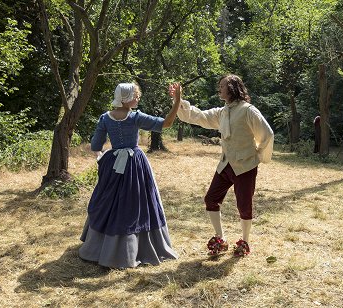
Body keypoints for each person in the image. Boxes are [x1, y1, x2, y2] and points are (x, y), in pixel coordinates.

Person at [169, 74, 274, 257]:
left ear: (233, 88)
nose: (220, 88)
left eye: (223, 86)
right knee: (211, 198)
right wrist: (179, 101)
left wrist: (257, 154)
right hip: (226, 165)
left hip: (245, 166)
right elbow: (198, 116)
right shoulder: (222, 112)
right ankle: (220, 238)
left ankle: (245, 242)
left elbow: (266, 134)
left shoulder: (248, 110)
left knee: (244, 205)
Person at [79, 82, 181, 268]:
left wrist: (101, 157)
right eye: (136, 95)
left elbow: (95, 146)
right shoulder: (135, 117)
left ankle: (101, 247)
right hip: (135, 165)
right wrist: (177, 101)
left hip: (112, 164)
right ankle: (133, 249)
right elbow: (166, 123)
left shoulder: (105, 118)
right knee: (136, 204)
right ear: (126, 98)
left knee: (109, 202)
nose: (138, 98)